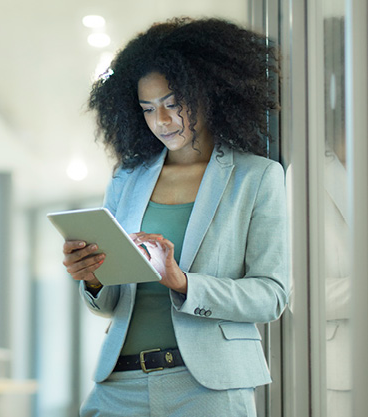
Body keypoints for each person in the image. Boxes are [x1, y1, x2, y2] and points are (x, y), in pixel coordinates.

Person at [62, 18, 289, 416]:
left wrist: (183, 283)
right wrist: (94, 276)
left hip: (208, 388)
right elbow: (109, 303)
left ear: (207, 93)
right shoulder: (127, 180)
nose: (161, 121)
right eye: (148, 109)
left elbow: (271, 295)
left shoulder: (257, 177)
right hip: (121, 384)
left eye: (172, 103)